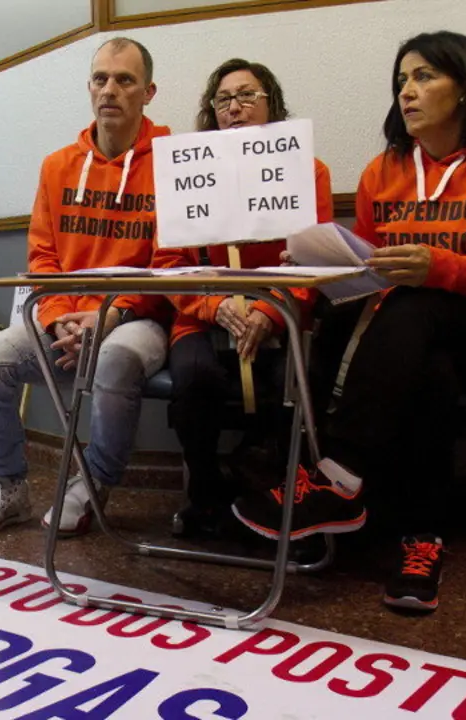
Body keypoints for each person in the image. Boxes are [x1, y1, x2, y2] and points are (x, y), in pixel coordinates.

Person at [232, 31, 466, 613]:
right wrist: (323, 263)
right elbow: (368, 272)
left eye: (423, 78)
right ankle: (421, 540)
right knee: (420, 367)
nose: (406, 93)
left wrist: (434, 265)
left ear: (465, 88)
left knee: (415, 306)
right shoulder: (382, 171)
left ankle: (336, 478)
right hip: (413, 344)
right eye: (400, 82)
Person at [0, 37, 170, 538]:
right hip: (66, 319)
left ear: (149, 92)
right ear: (89, 88)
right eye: (100, 79)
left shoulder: (172, 161)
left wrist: (109, 317)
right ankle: (8, 488)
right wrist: (59, 320)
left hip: (136, 320)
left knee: (117, 358)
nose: (110, 90)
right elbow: (43, 260)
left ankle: (93, 482)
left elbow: (169, 266)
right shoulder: (57, 166)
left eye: (125, 80)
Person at [152, 59, 335, 538]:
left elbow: (315, 263)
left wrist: (270, 310)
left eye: (248, 96)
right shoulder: (181, 174)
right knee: (192, 380)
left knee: (294, 381)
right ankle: (207, 491)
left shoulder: (308, 172)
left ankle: (276, 492)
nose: (234, 108)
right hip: (203, 318)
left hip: (279, 317)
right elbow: (168, 266)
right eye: (223, 100)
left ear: (272, 104)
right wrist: (215, 307)